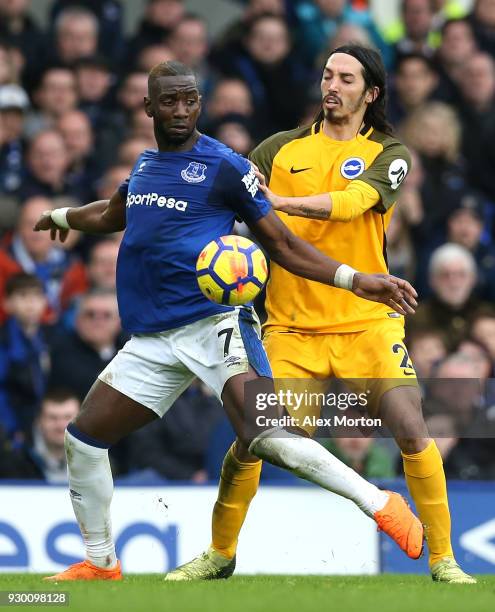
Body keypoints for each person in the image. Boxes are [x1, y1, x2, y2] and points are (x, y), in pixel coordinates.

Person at [34, 60, 421, 582]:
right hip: (154, 337)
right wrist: (61, 217)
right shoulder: (146, 166)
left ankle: (379, 503)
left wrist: (358, 279)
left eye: (189, 100)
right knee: (82, 440)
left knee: (264, 434)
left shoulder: (224, 166)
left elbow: (281, 243)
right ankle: (101, 563)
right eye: (168, 101)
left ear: (200, 104)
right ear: (148, 108)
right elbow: (111, 214)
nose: (180, 110)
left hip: (214, 322)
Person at [173, 45, 475, 584]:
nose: (331, 85)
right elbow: (226, 200)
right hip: (291, 328)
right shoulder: (277, 150)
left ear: (371, 92)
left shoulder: (391, 151)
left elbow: (354, 202)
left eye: (346, 78)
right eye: (327, 74)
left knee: (410, 427)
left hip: (367, 321)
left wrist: (277, 204)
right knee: (255, 438)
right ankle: (219, 553)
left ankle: (443, 559)